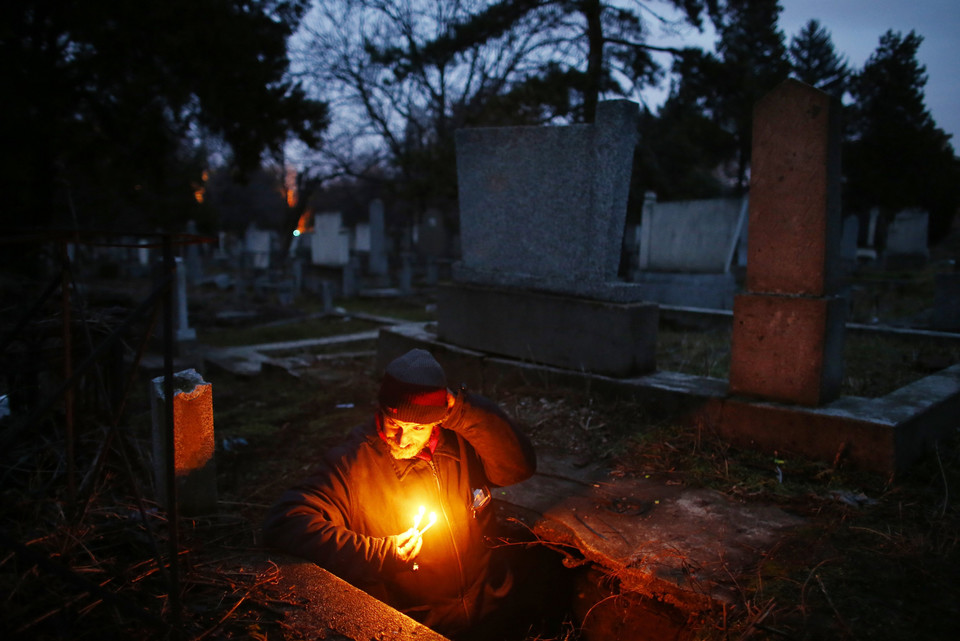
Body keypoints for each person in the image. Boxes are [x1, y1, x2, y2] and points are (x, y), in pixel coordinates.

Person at [262, 348, 537, 638]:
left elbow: (516, 469)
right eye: (395, 423)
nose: (402, 439)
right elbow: (286, 521)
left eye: (417, 427)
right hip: (418, 624)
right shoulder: (354, 464)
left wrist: (463, 411)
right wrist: (380, 553)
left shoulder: (461, 443)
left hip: (489, 608)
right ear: (381, 411)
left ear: (439, 419)